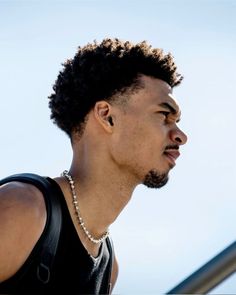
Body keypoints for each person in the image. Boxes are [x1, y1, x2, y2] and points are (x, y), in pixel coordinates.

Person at [0, 38, 187, 293]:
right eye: (164, 115)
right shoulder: (23, 209)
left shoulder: (110, 268)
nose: (180, 136)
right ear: (106, 116)